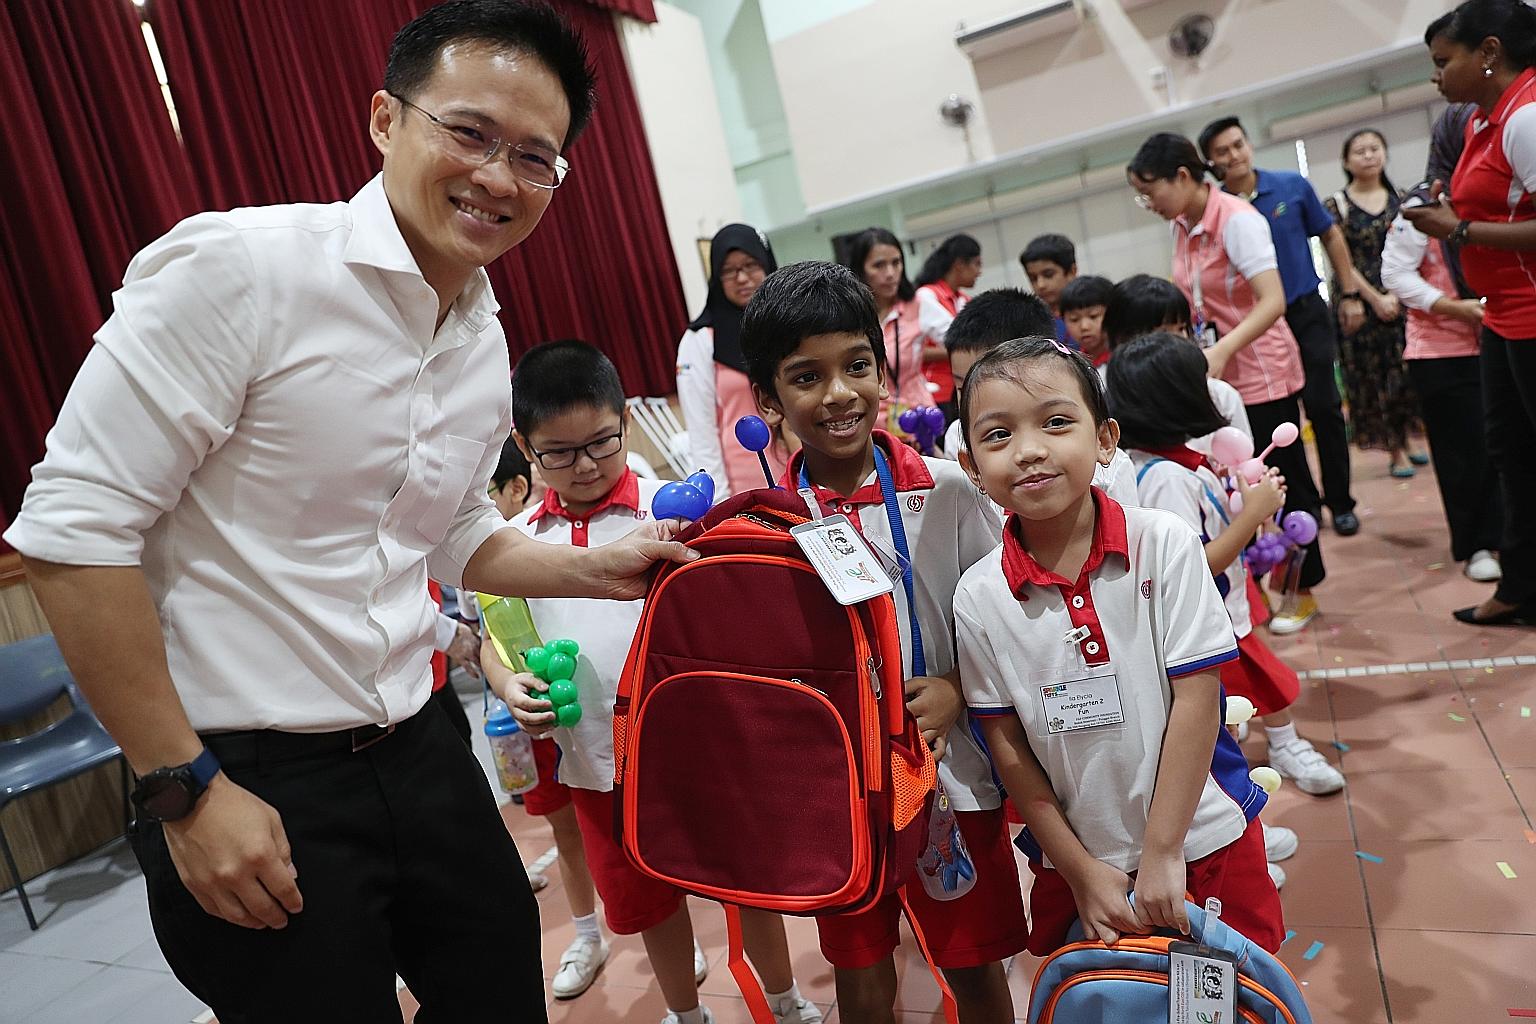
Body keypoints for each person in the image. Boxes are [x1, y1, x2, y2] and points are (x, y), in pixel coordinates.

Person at [0, 4, 697, 1020]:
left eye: (535, 156)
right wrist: (183, 788)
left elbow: (453, 529)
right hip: (245, 771)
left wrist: (596, 565)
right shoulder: (242, 271)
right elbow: (71, 534)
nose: (499, 176)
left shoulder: (477, 333)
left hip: (422, 748)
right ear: (384, 120)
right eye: (468, 133)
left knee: (503, 990)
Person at [741, 262, 1028, 1024]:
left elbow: (1006, 618)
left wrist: (961, 688)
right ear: (768, 399)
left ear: (882, 369)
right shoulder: (768, 526)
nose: (839, 394)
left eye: (856, 366)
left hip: (950, 776)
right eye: (807, 376)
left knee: (973, 964)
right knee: (861, 971)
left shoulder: (949, 492)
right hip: (838, 796)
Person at [953, 337, 1283, 956]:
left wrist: (1161, 852)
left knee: (1230, 1002)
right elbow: (1006, 743)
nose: (1028, 451)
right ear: (971, 466)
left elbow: (1198, 699)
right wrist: (1079, 870)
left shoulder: (1164, 542)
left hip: (1204, 841)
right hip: (1082, 867)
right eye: (997, 436)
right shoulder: (978, 596)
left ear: (1105, 439)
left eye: (1056, 423)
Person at [1110, 334, 1345, 890]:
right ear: (1177, 399)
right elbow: (1194, 561)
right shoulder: (1162, 475)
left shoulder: (1182, 464)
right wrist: (1252, 516)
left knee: (1234, 734)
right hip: (1200, 630)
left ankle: (1246, 831)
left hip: (1223, 614)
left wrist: (1248, 498)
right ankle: (1239, 846)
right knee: (1218, 752)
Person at [1129, 132, 1326, 635]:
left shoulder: (1238, 220)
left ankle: (1301, 588)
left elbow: (1272, 300)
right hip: (1213, 372)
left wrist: (1221, 349)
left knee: (1280, 478)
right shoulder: (1182, 224)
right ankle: (1254, 584)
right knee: (1229, 484)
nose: (1147, 203)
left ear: (1182, 176)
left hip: (1259, 369)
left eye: (1150, 191)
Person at [1405, 0, 1536, 626]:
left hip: (1533, 311)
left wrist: (1459, 231)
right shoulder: (1484, 120)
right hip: (1504, 315)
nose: (1436, 77)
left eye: (1442, 62)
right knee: (1511, 451)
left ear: (1488, 53)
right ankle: (1523, 585)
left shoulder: (1528, 115)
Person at [1199, 116, 1363, 535]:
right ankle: (1302, 505)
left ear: (1248, 145)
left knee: (1325, 407)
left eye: (1238, 144)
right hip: (1257, 329)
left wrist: (1349, 293)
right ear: (1211, 163)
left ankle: (1341, 502)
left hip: (1305, 312)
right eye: (1222, 151)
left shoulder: (1291, 185)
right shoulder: (1217, 213)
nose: (1234, 155)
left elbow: (1331, 236)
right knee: (1282, 423)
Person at [1382, 103, 1503, 584]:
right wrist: (1457, 308)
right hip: (1443, 350)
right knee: (1464, 452)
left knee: (1505, 447)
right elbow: (1394, 274)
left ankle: (1512, 536)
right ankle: (1476, 544)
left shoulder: (1496, 192)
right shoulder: (1425, 204)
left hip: (1499, 333)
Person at [936, 288, 1139, 509]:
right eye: (962, 387)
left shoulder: (1111, 466)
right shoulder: (959, 438)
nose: (1029, 452)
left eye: (1056, 422)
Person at [1324, 129, 1428, 478]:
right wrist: (1375, 297)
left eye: (1375, 149)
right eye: (1360, 151)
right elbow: (1343, 261)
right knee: (1373, 380)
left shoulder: (1401, 199)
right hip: (1359, 303)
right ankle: (1393, 448)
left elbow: (1412, 250)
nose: (1368, 156)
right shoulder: (1336, 205)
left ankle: (1409, 438)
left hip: (1401, 298)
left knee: (1404, 374)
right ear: (1346, 161)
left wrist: (1397, 294)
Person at [677, 223, 790, 498]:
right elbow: (702, 432)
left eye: (751, 265)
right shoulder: (700, 340)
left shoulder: (791, 325)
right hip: (745, 490)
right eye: (729, 271)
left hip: (806, 476)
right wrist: (720, 503)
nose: (741, 278)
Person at [1100, 274, 1253, 455]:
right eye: (1162, 332)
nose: (1178, 340)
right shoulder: (1103, 396)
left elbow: (1244, 463)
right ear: (1123, 338)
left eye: (1181, 328)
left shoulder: (1220, 395)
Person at [842, 226, 936, 426]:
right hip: (873, 422)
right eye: (879, 265)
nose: (891, 273)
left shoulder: (918, 304)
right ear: (861, 270)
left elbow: (962, 339)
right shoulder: (849, 316)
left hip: (920, 419)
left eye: (896, 262)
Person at [914, 233, 984, 419]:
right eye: (977, 263)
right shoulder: (926, 296)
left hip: (964, 387)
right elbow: (912, 350)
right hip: (936, 391)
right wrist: (966, 349)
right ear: (959, 264)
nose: (980, 271)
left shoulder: (964, 300)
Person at [1019, 233, 1079, 344]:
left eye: (1048, 275)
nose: (1040, 285)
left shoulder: (1098, 310)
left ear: (1072, 271)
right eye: (1033, 278)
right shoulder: (1029, 323)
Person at [1058, 274, 1114, 366]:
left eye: (1093, 316)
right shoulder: (1072, 365)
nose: (1084, 327)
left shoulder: (1123, 360)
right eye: (1074, 319)